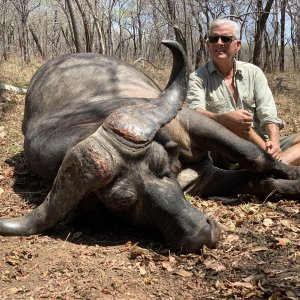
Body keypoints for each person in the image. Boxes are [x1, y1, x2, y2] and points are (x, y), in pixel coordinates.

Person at [186, 18, 300, 166]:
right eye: (214, 38)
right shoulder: (197, 78)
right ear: (208, 44)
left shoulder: (253, 73)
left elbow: (269, 114)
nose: (219, 43)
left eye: (226, 38)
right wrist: (222, 119)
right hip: (225, 148)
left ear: (237, 45)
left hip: (261, 141)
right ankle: (274, 166)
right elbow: (195, 113)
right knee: (238, 125)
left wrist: (275, 142)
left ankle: (275, 166)